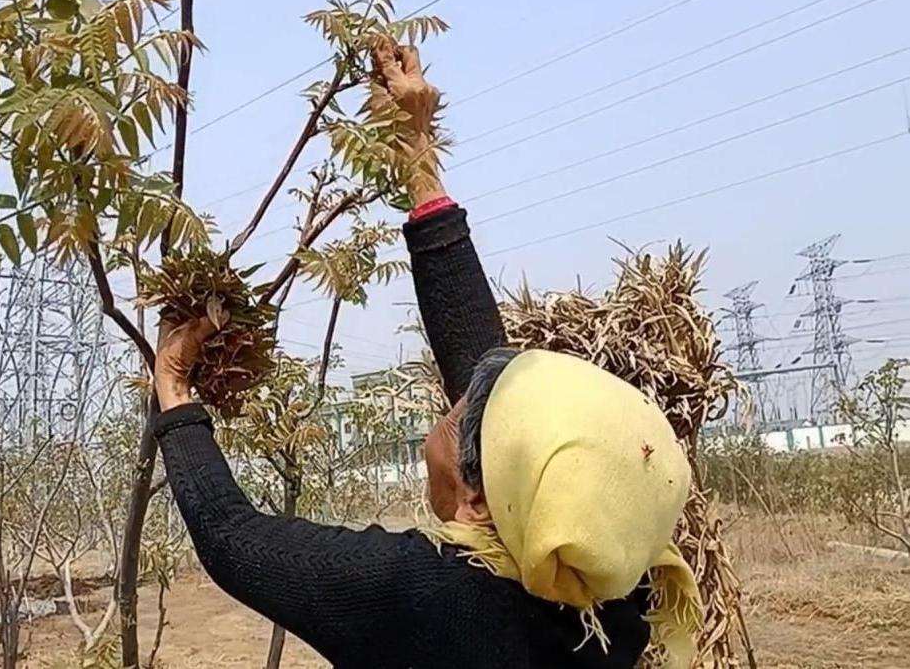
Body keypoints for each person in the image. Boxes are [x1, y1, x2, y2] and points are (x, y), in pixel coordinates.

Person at [151, 41, 701, 669]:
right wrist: (417, 155)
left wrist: (172, 383)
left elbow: (231, 538)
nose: (449, 408)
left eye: (454, 418)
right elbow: (487, 369)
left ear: (481, 500)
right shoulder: (612, 594)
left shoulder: (426, 596)